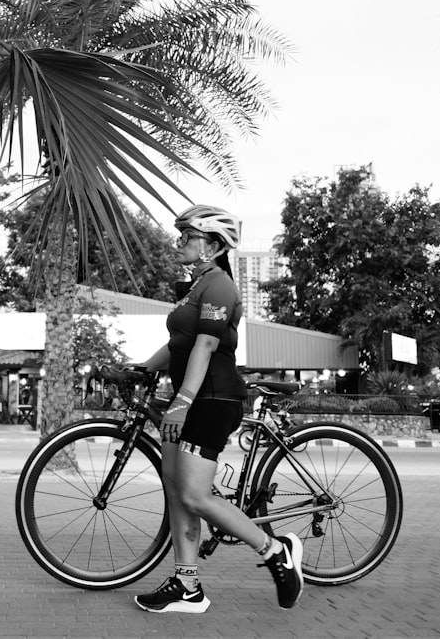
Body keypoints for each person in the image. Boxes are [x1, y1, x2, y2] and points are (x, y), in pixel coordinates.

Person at [133, 204, 304, 614]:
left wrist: (184, 401)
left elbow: (207, 347)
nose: (180, 242)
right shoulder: (195, 287)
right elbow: (180, 343)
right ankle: (187, 586)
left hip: (211, 400)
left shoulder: (220, 287)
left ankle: (275, 550)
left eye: (187, 236)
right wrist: (141, 369)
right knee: (177, 492)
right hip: (187, 399)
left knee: (194, 494)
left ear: (211, 245)